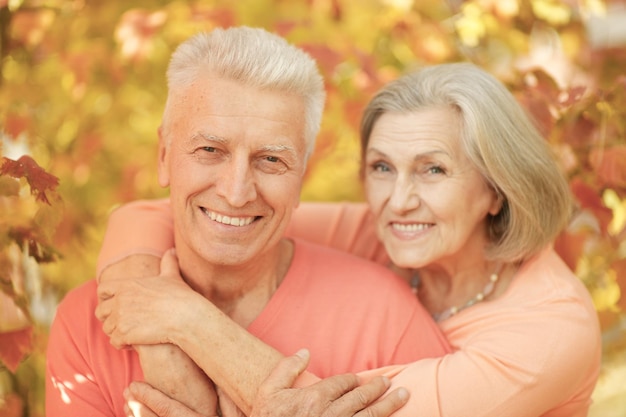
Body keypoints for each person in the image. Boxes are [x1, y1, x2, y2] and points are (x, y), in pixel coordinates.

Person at [95, 62, 602, 417]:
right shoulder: (388, 232)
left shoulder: (551, 329)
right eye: (383, 167)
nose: (398, 200)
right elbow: (156, 213)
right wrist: (150, 319)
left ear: (496, 189)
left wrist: (186, 320)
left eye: (433, 170)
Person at [45, 27, 452, 417]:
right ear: (164, 157)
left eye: (271, 160)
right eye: (210, 150)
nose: (237, 192)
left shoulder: (383, 318)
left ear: (301, 179)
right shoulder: (90, 324)